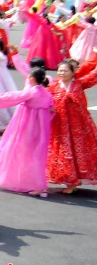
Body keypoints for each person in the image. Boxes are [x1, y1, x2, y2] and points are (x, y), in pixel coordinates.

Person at [0, 68, 54, 196]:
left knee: (20, 153)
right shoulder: (46, 94)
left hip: (27, 128)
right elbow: (52, 110)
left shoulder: (30, 92)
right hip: (41, 130)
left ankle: (32, 184)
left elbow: (8, 98)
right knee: (37, 156)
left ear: (31, 78)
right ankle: (38, 184)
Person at [45, 57, 97, 194]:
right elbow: (42, 99)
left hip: (79, 126)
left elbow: (93, 75)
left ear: (73, 72)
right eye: (59, 70)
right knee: (64, 153)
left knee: (80, 153)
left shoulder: (79, 84)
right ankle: (70, 182)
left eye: (65, 71)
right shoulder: (53, 87)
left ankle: (75, 181)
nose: (61, 73)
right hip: (60, 126)